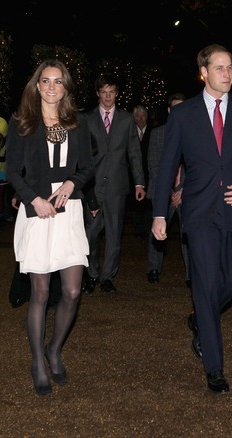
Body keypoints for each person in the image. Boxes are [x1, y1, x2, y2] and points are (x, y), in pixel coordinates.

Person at [151, 44, 232, 393]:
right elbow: (166, 167)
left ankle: (201, 320)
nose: (227, 74)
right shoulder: (183, 115)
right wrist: (160, 213)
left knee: (229, 283)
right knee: (204, 285)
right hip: (199, 212)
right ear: (203, 72)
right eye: (219, 68)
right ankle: (214, 369)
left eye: (230, 67)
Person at [5, 59, 95, 396]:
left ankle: (54, 350)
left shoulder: (78, 123)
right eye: (46, 81)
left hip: (68, 212)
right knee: (40, 293)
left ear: (66, 87)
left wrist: (72, 183)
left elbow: (87, 167)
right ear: (37, 85)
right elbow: (13, 170)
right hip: (38, 213)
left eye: (59, 81)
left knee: (72, 291)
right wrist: (33, 200)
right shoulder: (22, 122)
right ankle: (37, 362)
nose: (52, 87)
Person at [82, 74, 146, 293]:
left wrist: (140, 183)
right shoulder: (86, 119)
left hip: (118, 187)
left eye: (112, 92)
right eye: (104, 92)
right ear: (98, 94)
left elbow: (134, 154)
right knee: (90, 233)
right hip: (93, 185)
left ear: (117, 94)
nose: (108, 96)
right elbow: (82, 156)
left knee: (114, 233)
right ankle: (91, 274)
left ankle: (108, 276)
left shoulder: (127, 119)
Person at [146, 92, 190, 286]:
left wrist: (182, 189)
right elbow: (154, 166)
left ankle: (191, 274)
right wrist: (171, 191)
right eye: (176, 108)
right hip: (163, 193)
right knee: (157, 232)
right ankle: (153, 269)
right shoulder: (158, 133)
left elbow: (196, 167)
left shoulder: (194, 134)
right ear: (169, 110)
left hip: (187, 193)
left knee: (188, 233)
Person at [130, 104, 152, 239]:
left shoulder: (153, 132)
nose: (140, 118)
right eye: (137, 116)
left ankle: (149, 228)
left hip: (150, 173)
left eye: (143, 115)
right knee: (135, 203)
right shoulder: (130, 132)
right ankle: (138, 229)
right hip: (134, 174)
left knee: (149, 203)